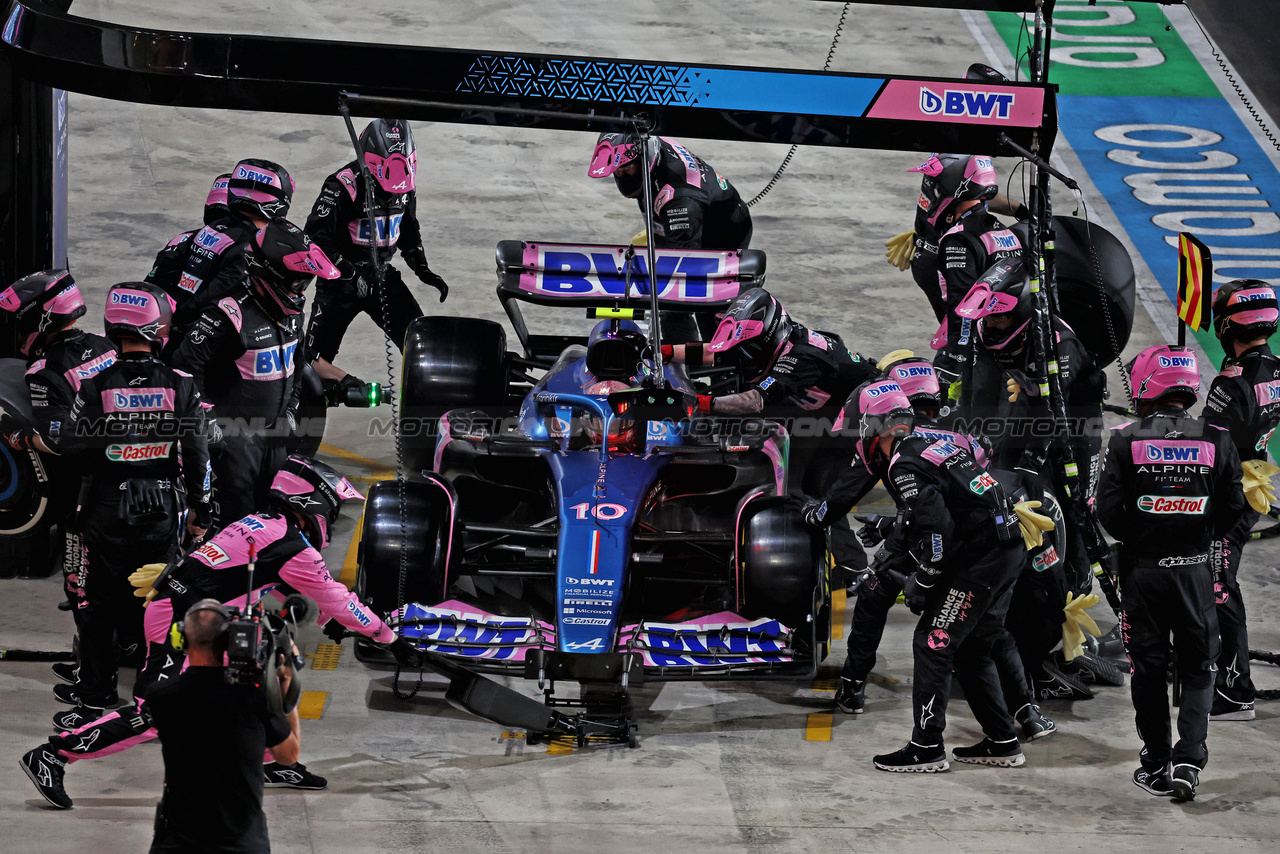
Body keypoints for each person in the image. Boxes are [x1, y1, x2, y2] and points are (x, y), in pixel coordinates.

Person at [19, 456, 403, 808]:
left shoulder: (263, 524)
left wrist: (330, 622)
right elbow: (336, 599)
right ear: (313, 505)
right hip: (181, 620)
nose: (332, 519)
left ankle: (271, 761)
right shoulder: (293, 546)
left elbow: (282, 583)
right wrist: (385, 634)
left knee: (268, 677)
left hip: (208, 618)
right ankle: (53, 755)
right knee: (158, 714)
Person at [795, 354, 1054, 742]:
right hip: (1001, 537)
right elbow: (969, 493)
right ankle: (1024, 716)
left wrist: (922, 571)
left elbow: (929, 518)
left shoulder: (895, 450)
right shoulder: (958, 435)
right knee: (989, 631)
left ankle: (864, 696)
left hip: (956, 547)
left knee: (884, 600)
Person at [837, 378, 1026, 772]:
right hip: (1008, 545)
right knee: (973, 648)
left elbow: (937, 529)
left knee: (932, 642)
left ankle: (926, 748)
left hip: (982, 558)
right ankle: (1004, 740)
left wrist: (924, 578)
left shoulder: (902, 463)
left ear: (876, 425)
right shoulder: (939, 439)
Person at [53, 282, 211, 715]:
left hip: (105, 508)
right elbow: (198, 454)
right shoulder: (181, 384)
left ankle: (95, 694)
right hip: (160, 507)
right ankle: (152, 695)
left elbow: (70, 445)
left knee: (98, 605)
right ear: (158, 327)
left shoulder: (94, 384)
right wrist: (201, 508)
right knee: (158, 601)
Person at [955, 257, 1107, 700]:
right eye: (989, 316)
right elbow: (978, 396)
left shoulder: (1060, 345)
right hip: (1021, 426)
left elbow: (1050, 412)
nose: (993, 324)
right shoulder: (989, 331)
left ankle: (1063, 641)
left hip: (1072, 440)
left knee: (1072, 525)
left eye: (1000, 314)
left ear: (1023, 309)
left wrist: (1028, 465)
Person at [1096, 345, 1243, 800]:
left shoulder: (1123, 438)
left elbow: (1107, 511)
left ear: (1145, 384)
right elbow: (1234, 509)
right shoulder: (1218, 437)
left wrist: (1142, 538)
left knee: (1149, 669)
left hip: (1142, 574)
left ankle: (1157, 760)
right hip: (1196, 573)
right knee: (1201, 666)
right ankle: (1189, 758)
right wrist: (1198, 536)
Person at [171, 218, 338, 528]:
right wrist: (206, 421)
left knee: (271, 520)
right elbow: (184, 367)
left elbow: (297, 364)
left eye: (305, 283)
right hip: (233, 443)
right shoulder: (227, 315)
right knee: (236, 525)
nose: (301, 291)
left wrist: (290, 409)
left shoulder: (292, 317)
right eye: (297, 282)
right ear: (271, 274)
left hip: (273, 438)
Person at [665, 286, 878, 499]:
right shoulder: (771, 340)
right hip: (825, 406)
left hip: (863, 420)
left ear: (768, 339)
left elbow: (753, 401)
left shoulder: (802, 358)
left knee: (820, 490)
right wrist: (665, 352)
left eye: (748, 351)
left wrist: (697, 402)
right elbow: (717, 352)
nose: (741, 358)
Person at [0, 270, 117, 618]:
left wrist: (22, 439)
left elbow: (59, 440)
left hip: (88, 488)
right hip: (135, 468)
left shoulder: (44, 371)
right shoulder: (104, 342)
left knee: (79, 573)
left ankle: (89, 658)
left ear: (39, 318)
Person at [304, 118, 449, 396]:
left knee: (422, 347)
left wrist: (422, 268)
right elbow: (315, 237)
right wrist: (348, 274)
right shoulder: (342, 186)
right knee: (312, 360)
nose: (392, 193)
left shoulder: (406, 187)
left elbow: (408, 228)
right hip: (339, 282)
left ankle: (423, 411)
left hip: (382, 276)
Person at [148, 599, 300, 853]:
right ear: (228, 642)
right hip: (241, 842)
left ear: (181, 639)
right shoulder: (254, 696)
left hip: (178, 840)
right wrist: (284, 688)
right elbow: (288, 756)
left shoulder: (160, 695)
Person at [884, 63, 1029, 324]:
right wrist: (1022, 211)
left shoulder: (956, 135)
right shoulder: (963, 150)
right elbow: (975, 195)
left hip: (935, 248)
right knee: (967, 329)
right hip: (949, 256)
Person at [1200, 279, 1280, 721]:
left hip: (1227, 494)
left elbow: (1208, 445)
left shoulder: (1231, 383)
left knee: (1217, 585)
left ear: (1226, 325)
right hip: (1256, 482)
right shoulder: (1278, 369)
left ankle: (1235, 692)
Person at [589, 132, 752, 340]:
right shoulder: (645, 141)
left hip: (722, 236)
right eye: (617, 170)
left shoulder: (680, 200)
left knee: (690, 306)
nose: (620, 175)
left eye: (626, 167)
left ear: (644, 159)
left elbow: (683, 265)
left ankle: (701, 365)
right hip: (692, 215)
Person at [146, 161, 294, 357]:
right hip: (204, 345)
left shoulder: (199, 234)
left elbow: (155, 284)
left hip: (169, 334)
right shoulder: (252, 248)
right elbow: (219, 292)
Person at [917, 154, 1027, 400]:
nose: (932, 197)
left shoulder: (958, 240)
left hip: (980, 352)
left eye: (937, 189)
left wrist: (952, 363)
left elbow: (964, 308)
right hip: (1009, 346)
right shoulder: (1003, 230)